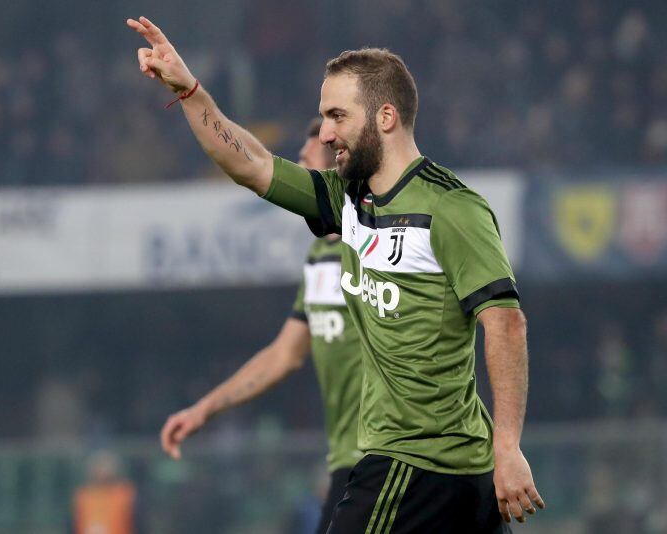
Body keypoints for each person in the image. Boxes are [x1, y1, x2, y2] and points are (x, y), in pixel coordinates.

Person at [127, 16, 545, 533]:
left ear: (385, 117)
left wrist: (508, 448)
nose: (325, 133)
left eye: (337, 116)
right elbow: (252, 164)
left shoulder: (451, 208)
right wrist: (189, 89)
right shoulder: (344, 200)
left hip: (412, 461)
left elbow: (505, 324)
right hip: (448, 470)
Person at [160, 118, 363, 534]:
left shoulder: (374, 242)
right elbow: (284, 355)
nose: (300, 164)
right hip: (347, 459)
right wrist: (206, 408)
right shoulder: (320, 254)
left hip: (390, 455)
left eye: (309, 159)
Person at [71, 450, 143, 534]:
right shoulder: (84, 496)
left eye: (106, 466)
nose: (103, 471)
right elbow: (76, 523)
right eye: (100, 466)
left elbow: (137, 523)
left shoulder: (125, 494)